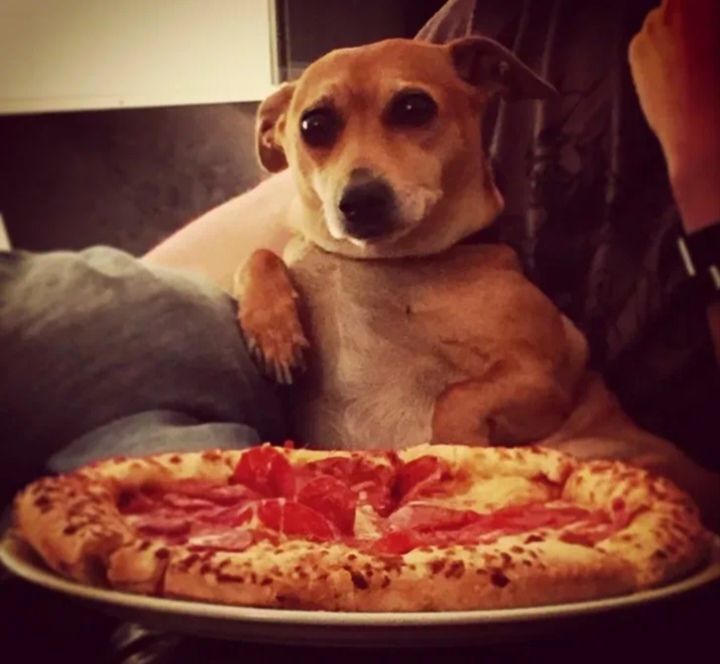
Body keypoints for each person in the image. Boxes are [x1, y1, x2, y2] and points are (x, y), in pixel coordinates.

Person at [0, 0, 717, 661]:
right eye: (320, 129)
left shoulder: (492, 283)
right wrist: (259, 277)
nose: (360, 173)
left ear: (481, 95)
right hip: (333, 525)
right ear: (280, 138)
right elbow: (261, 227)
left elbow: (541, 389)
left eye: (410, 111)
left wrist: (452, 436)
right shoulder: (302, 236)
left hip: (587, 504)